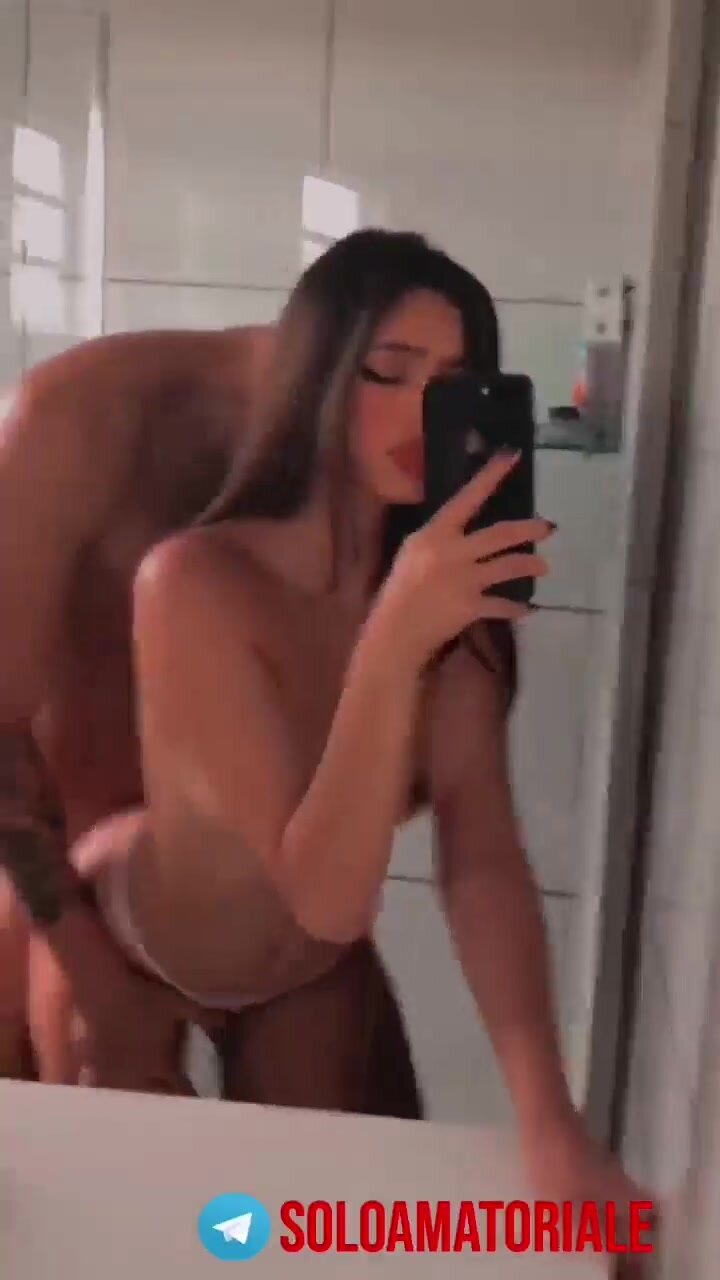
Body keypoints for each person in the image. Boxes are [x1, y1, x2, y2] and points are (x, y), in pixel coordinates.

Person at [25, 227, 643, 1208]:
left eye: (453, 384)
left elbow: (480, 855)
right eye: (387, 372)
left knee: (322, 1232)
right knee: (119, 1224)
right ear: (315, 379)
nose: (420, 409)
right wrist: (393, 637)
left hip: (303, 967)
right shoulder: (195, 580)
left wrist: (548, 1116)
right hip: (132, 935)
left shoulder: (451, 600)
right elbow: (322, 892)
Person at [0, 318, 421, 1110]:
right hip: (75, 888)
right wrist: (96, 979)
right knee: (97, 1133)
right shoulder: (77, 419)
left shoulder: (392, 482)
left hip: (262, 899)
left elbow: (420, 793)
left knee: (353, 1155)